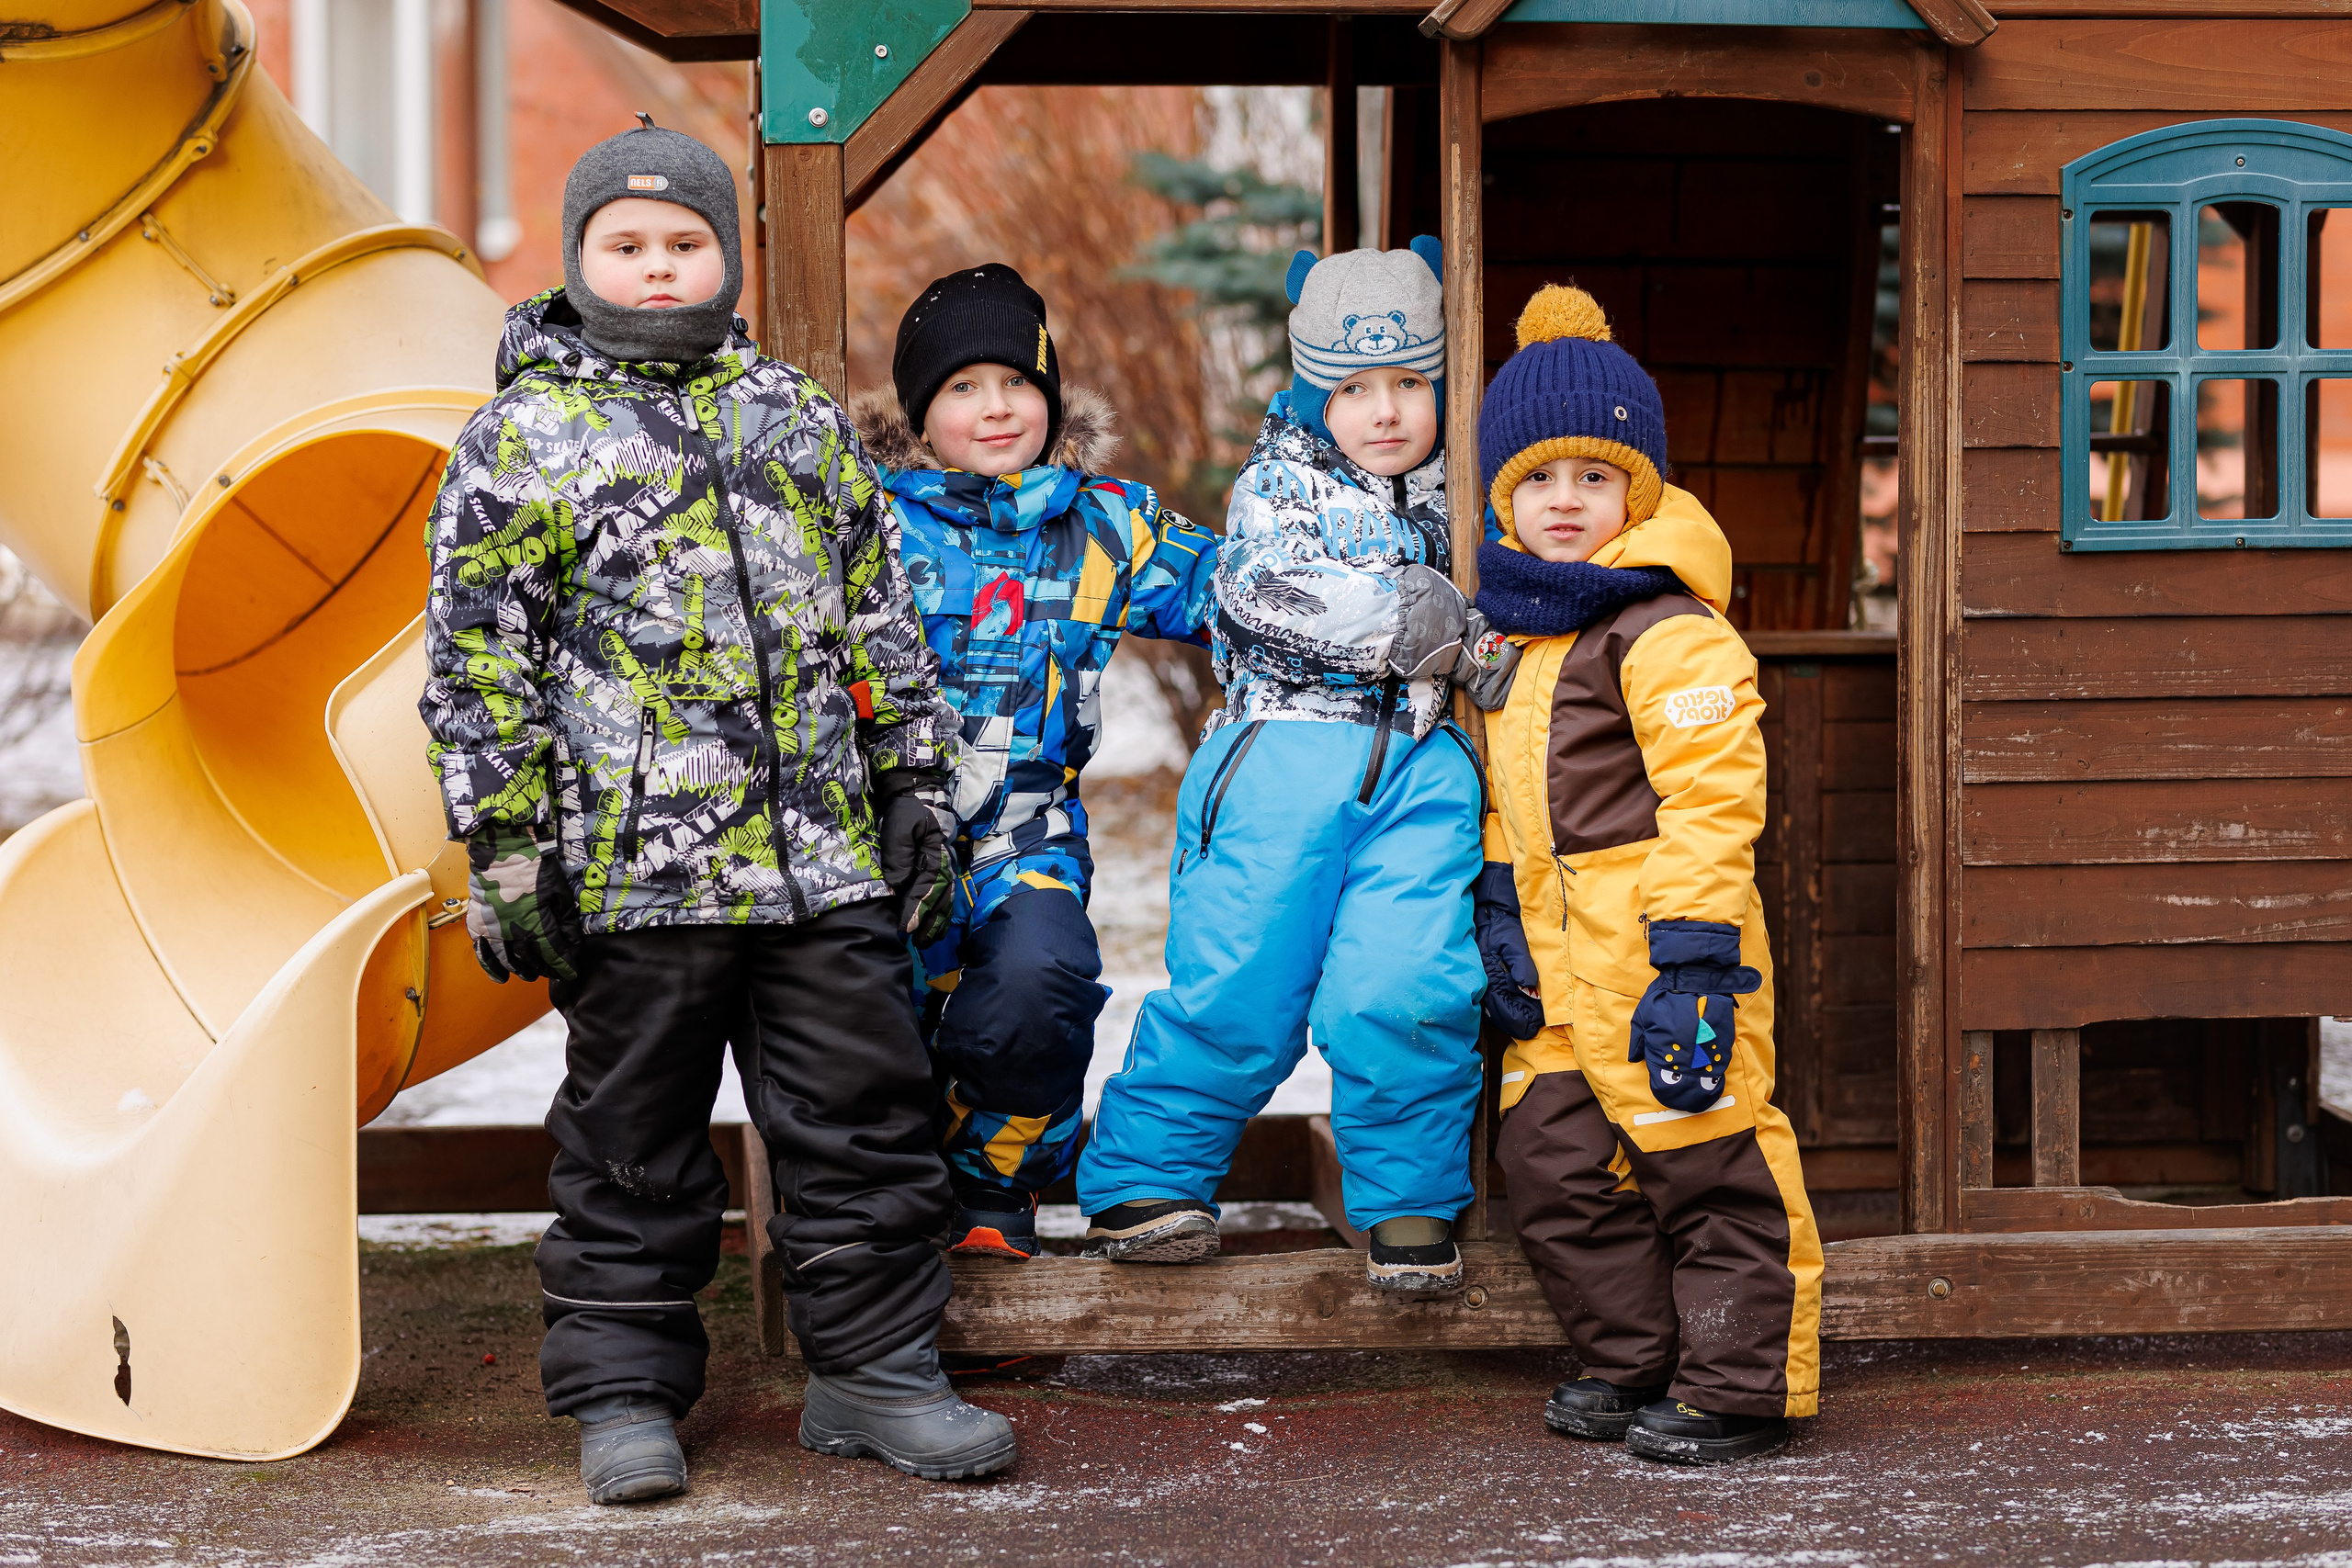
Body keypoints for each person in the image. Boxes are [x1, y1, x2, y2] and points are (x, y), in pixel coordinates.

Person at [420, 118, 1015, 1501]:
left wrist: (914, 787)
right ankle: (625, 1392)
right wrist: (507, 840)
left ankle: (875, 1373)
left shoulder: (794, 416)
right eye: (625, 247)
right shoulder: (521, 438)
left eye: (684, 244)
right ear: (577, 261)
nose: (657, 268)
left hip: (820, 861)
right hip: (635, 874)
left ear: (727, 259)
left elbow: (878, 620)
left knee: (865, 1115)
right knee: (633, 1138)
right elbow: (474, 657)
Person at [1075, 240, 1513, 1291]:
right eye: (1354, 388)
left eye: (1411, 383)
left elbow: (1501, 605)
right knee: (1239, 980)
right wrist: (1421, 621)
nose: (1387, 412)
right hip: (1281, 761)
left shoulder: (1464, 492)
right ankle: (1147, 1179)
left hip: (1420, 772)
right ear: (1313, 389)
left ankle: (1409, 1204)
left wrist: (1487, 647)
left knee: (1403, 988)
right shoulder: (1281, 480)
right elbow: (1264, 592)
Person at [1469, 283, 1823, 1463]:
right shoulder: (1519, 639)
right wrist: (1499, 921)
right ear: (1502, 497)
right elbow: (1513, 813)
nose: (1564, 503)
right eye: (1538, 481)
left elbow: (1713, 802)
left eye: (1593, 478)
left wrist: (1695, 956)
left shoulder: (1667, 630)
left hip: (1667, 956)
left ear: (1641, 490)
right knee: (1553, 1163)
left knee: (1705, 1156)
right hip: (1561, 979)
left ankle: (1739, 1385)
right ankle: (1635, 1362)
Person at [846, 264, 1219, 1263]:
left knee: (1036, 982)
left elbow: (1241, 596)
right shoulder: (868, 520)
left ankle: (993, 1205)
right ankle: (888, 1219)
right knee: (876, 1017)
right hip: (880, 822)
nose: (996, 406)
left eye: (1018, 383)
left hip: (1027, 825)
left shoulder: (1101, 523)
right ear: (921, 415)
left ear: (1051, 400)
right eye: (963, 387)